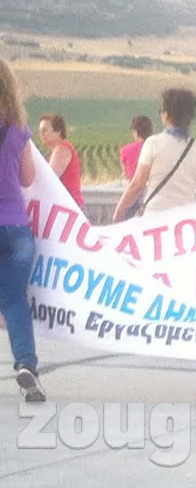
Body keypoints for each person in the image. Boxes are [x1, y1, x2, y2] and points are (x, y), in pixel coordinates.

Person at [0, 59, 47, 402]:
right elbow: (29, 179)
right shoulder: (19, 131)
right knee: (15, 300)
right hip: (16, 227)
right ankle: (26, 364)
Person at [113, 88, 196, 222]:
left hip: (154, 222)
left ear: (166, 115)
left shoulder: (153, 144)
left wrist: (119, 211)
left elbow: (137, 184)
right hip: (183, 224)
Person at [38, 113, 86, 210]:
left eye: (45, 130)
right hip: (67, 205)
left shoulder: (62, 149)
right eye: (40, 131)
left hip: (70, 207)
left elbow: (49, 179)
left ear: (58, 132)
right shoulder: (57, 151)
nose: (41, 134)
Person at [120, 115, 153, 218]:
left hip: (132, 193)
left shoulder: (125, 150)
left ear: (135, 131)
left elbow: (126, 174)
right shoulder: (154, 149)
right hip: (150, 193)